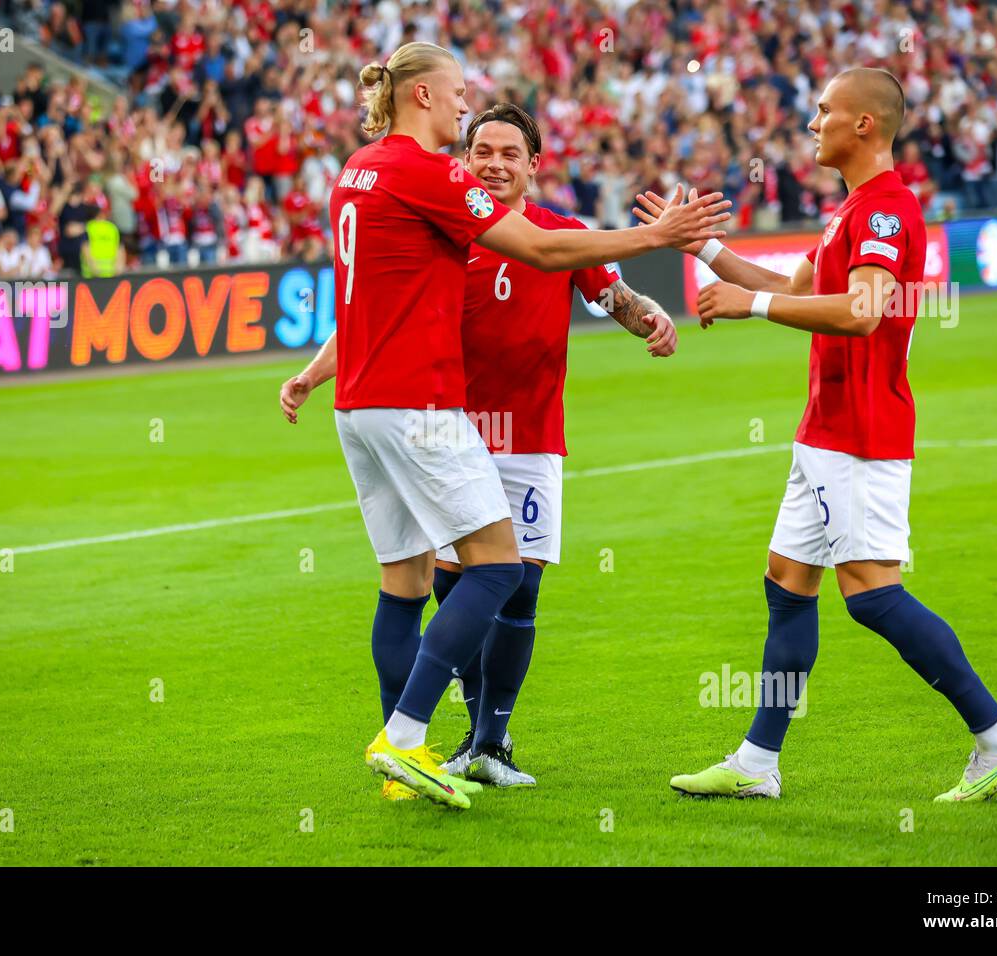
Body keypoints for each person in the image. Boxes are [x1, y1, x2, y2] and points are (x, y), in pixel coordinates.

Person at [306, 41, 729, 810]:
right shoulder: (430, 179)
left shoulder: (355, 170)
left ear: (534, 164)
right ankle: (404, 738)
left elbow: (374, 290)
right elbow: (537, 247)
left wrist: (642, 307)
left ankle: (428, 755)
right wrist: (658, 236)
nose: (467, 109)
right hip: (425, 410)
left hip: (368, 410)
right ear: (425, 98)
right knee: (495, 570)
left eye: (507, 148)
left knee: (404, 585)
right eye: (460, 99)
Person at [641, 68, 997, 802]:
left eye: (824, 111)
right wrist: (701, 249)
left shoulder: (885, 211)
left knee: (872, 596)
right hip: (825, 428)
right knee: (788, 585)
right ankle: (758, 764)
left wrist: (747, 304)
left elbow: (860, 312)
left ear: (864, 125)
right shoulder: (849, 211)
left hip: (860, 430)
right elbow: (797, 290)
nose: (812, 122)